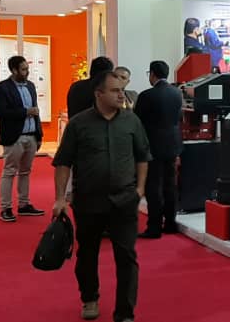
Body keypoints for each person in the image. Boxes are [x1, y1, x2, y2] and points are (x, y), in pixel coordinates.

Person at [52, 71, 151, 322]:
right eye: (115, 91)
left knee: (127, 257)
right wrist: (60, 198)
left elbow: (142, 156)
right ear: (99, 94)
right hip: (88, 202)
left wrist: (140, 189)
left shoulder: (131, 121)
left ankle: (125, 312)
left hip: (124, 200)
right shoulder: (78, 124)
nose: (121, 95)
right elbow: (63, 162)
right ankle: (89, 298)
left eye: (122, 90)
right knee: (87, 254)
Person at [134, 60, 183, 238]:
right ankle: (170, 223)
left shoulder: (147, 95)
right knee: (170, 185)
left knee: (153, 186)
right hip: (173, 144)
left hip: (152, 146)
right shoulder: (177, 93)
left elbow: (137, 121)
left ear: (152, 74)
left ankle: (154, 227)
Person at [0, 55, 45, 222]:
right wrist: (25, 112)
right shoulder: (2, 88)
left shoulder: (30, 86)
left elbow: (36, 111)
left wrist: (39, 135)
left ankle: (24, 204)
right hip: (14, 137)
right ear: (14, 70)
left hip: (31, 136)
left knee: (25, 172)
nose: (27, 72)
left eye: (27, 68)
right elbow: (1, 112)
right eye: (23, 69)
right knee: (9, 172)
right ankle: (6, 208)